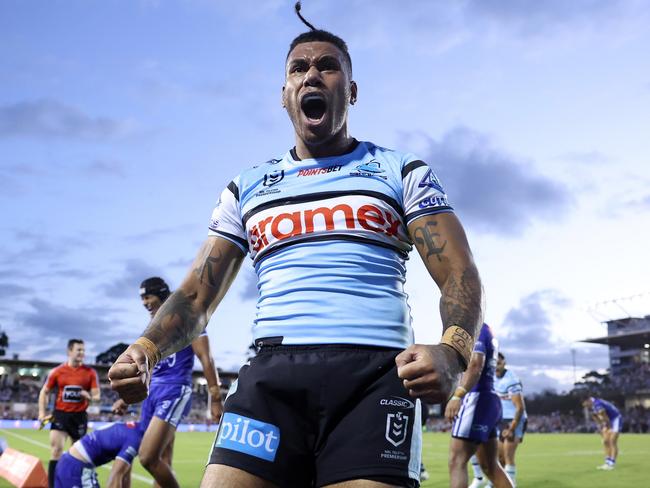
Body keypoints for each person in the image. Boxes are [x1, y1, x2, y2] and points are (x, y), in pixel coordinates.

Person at [108, 7, 484, 488]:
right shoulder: (246, 188)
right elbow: (195, 297)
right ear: (284, 96)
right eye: (298, 68)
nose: (312, 73)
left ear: (350, 91)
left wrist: (453, 351)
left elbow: (459, 272)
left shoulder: (400, 170)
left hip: (374, 379)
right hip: (271, 377)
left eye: (327, 66)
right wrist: (145, 349)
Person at [113, 276, 224, 488]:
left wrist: (215, 397)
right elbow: (148, 367)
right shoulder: (151, 327)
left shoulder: (187, 318)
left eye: (148, 297)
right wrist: (127, 400)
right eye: (142, 298)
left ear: (161, 295)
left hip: (174, 390)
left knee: (147, 457)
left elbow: (206, 358)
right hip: (152, 393)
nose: (144, 302)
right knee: (164, 460)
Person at [445, 324, 512, 488]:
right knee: (490, 466)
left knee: (457, 460)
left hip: (476, 399)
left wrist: (458, 394)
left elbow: (476, 364)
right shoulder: (487, 329)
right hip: (489, 399)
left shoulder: (475, 327)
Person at [38, 339, 100, 488]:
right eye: (79, 350)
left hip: (79, 417)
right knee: (56, 450)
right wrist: (41, 413)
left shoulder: (90, 373)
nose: (82, 353)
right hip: (60, 415)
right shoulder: (57, 372)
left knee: (78, 454)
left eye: (84, 350)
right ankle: (52, 485)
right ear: (69, 351)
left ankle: (75, 484)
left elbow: (97, 397)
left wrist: (88, 396)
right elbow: (44, 392)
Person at [54, 421, 144, 488]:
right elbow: (116, 476)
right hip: (77, 469)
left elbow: (125, 475)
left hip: (67, 462)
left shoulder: (134, 429)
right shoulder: (136, 439)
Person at [493, 353, 526, 486]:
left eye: (499, 363)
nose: (497, 366)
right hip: (500, 419)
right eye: (494, 363)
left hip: (514, 419)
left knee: (508, 457)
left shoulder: (511, 380)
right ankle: (498, 483)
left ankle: (511, 485)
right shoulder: (491, 378)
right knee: (499, 458)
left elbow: (519, 407)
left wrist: (512, 427)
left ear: (504, 363)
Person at [582, 396, 623, 470]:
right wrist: (601, 427)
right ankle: (607, 462)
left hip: (615, 419)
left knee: (612, 441)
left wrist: (608, 427)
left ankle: (612, 464)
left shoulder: (598, 404)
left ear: (588, 400)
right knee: (605, 441)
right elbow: (597, 418)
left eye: (586, 404)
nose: (586, 406)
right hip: (607, 421)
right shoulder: (593, 406)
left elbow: (605, 416)